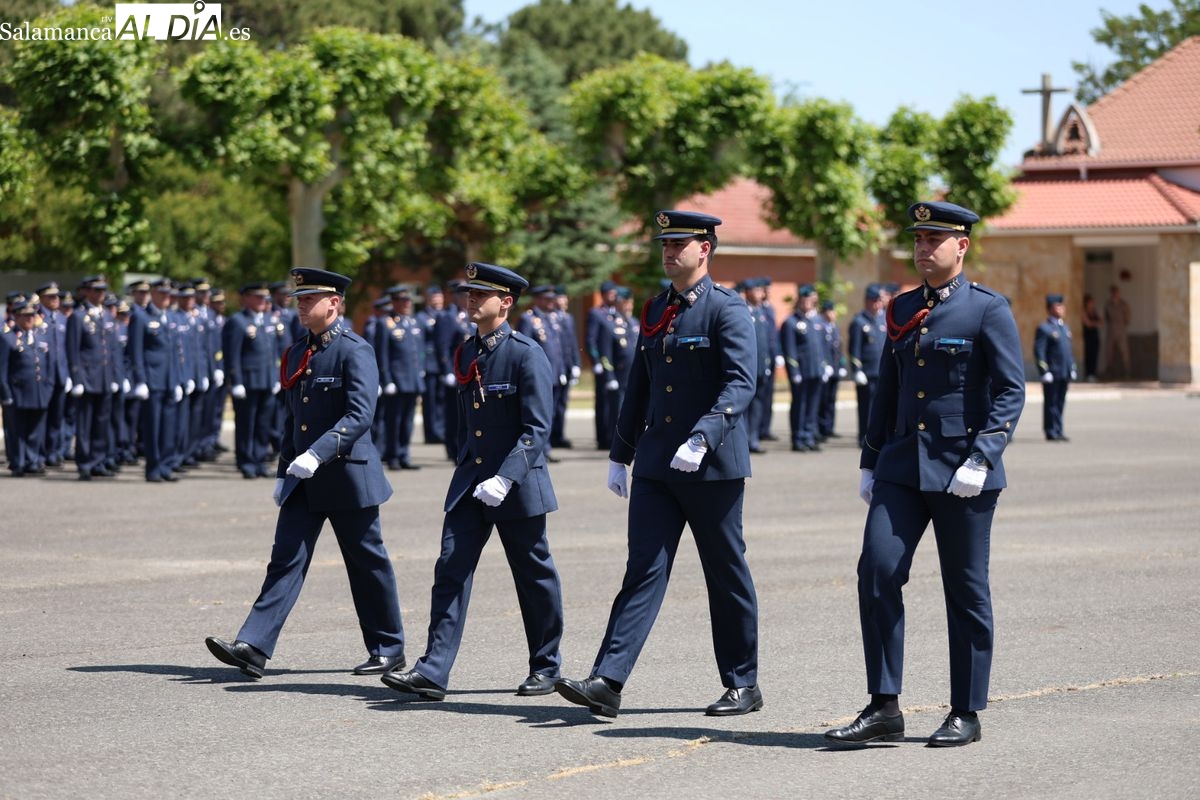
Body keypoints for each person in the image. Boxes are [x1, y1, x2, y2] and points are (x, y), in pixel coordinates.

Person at [825, 201, 1025, 748]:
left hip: (964, 470)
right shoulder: (902, 306)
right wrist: (870, 460)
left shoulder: (986, 309)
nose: (922, 247)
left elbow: (1011, 391)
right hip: (902, 468)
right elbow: (887, 389)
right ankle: (884, 705)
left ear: (961, 246)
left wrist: (983, 456)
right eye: (918, 238)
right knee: (877, 571)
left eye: (934, 239)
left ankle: (966, 710)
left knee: (965, 588)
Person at [555, 210, 762, 718]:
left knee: (725, 572)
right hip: (656, 464)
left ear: (704, 249)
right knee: (642, 570)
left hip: (711, 466)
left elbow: (740, 383)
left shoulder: (726, 309)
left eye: (678, 245)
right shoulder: (655, 309)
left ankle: (742, 683)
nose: (668, 253)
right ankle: (608, 681)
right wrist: (620, 453)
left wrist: (703, 436)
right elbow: (640, 385)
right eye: (664, 245)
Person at [206, 267, 406, 679]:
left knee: (366, 563)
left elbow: (360, 415)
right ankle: (253, 645)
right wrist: (284, 471)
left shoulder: (354, 350)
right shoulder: (300, 351)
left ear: (334, 303)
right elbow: (293, 419)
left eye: (309, 299)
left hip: (347, 476)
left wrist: (317, 454)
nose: (300, 305)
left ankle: (388, 647)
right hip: (303, 477)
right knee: (285, 559)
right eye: (298, 299)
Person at [382, 262, 565, 700]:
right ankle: (433, 670)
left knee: (533, 575)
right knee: (451, 567)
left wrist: (505, 478)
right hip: (471, 480)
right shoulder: (468, 351)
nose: (471, 299)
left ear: (506, 302)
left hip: (515, 484)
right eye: (469, 293)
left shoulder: (525, 353)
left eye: (481, 294)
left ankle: (546, 666)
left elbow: (536, 429)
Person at [222, 282, 279, 479]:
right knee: (246, 423)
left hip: (267, 379)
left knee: (263, 424)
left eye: (265, 297)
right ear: (246, 298)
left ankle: (260, 460)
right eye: (258, 297)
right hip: (247, 381)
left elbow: (273, 352)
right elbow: (232, 354)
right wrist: (236, 380)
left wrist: (275, 376)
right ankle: (246, 461)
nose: (263, 301)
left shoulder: (268, 320)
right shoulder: (237, 321)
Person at [65, 276, 119, 481]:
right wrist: (76, 378)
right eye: (96, 290)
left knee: (102, 423)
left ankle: (98, 460)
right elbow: (73, 350)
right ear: (87, 292)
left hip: (105, 377)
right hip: (87, 378)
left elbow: (112, 349)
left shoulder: (107, 315)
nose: (100, 294)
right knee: (85, 424)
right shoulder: (78, 316)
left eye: (103, 290)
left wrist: (116, 376)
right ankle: (85, 463)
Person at [0, 301, 54, 476]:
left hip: (38, 391)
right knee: (17, 431)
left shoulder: (40, 337)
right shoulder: (8, 338)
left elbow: (49, 366)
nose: (30, 319)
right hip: (17, 392)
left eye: (32, 315)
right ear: (16, 317)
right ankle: (18, 463)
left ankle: (33, 461)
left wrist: (48, 388)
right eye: (26, 316)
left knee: (35, 430)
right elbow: (2, 369)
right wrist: (5, 394)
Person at [376, 284, 425, 470]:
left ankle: (404, 454)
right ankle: (393, 455)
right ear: (394, 302)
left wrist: (420, 372)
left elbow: (417, 352)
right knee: (393, 421)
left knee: (407, 421)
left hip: (412, 380)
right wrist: (386, 380)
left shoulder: (412, 323)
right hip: (396, 381)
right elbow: (382, 355)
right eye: (403, 301)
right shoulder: (385, 323)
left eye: (408, 301)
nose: (407, 304)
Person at [780, 284, 828, 452]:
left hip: (816, 370)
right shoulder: (791, 322)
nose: (806, 304)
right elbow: (790, 349)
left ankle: (809, 436)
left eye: (809, 300)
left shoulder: (817, 320)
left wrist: (825, 366)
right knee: (800, 405)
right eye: (803, 300)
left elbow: (823, 347)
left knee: (813, 406)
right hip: (801, 371)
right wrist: (794, 371)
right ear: (799, 301)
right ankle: (798, 437)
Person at [847, 284, 887, 444]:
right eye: (874, 301)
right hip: (867, 372)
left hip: (882, 371)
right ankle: (864, 436)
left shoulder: (883, 319)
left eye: (879, 301)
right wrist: (857, 369)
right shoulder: (859, 322)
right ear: (867, 301)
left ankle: (877, 436)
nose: (877, 304)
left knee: (881, 407)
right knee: (867, 407)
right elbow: (854, 349)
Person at [1034, 294, 1076, 442]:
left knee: (1060, 402)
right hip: (1052, 372)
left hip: (1064, 371)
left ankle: (1059, 429)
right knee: (1051, 403)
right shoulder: (1044, 328)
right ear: (1050, 308)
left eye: (1062, 305)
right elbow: (1039, 351)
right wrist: (1044, 371)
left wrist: (1072, 367)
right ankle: (1051, 430)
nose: (1061, 308)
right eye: (1057, 306)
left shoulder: (1065, 327)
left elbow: (1068, 351)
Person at [1103, 284, 1131, 379]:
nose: (1115, 295)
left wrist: (1122, 325)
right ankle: (1110, 371)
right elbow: (1106, 317)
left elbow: (1127, 317)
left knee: (1124, 351)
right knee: (1109, 351)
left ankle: (1127, 371)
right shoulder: (1108, 304)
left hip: (1121, 330)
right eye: (1113, 293)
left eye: (1116, 293)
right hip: (1111, 330)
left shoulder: (1123, 304)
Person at [1081, 294, 1101, 382]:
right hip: (1088, 337)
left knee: (1095, 355)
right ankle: (1088, 374)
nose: (1093, 304)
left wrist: (1094, 323)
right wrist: (1095, 323)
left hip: (1095, 336)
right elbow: (1088, 324)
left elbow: (1101, 322)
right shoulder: (1084, 312)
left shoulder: (1094, 312)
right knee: (1089, 355)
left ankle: (1093, 373)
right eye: (1091, 302)